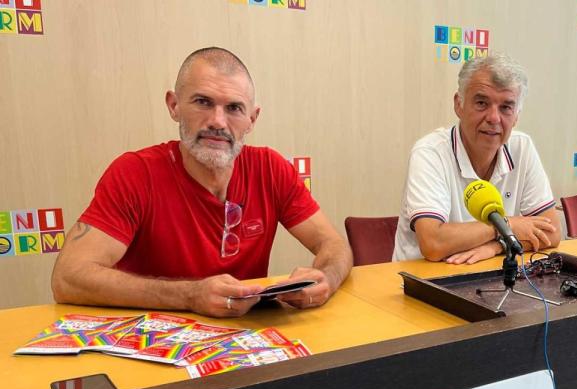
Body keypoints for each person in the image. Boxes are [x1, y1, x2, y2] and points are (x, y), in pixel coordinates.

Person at [51, 47, 353, 318]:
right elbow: (68, 278)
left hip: (246, 344)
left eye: (234, 108)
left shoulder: (271, 168)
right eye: (203, 102)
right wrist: (189, 296)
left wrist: (326, 278)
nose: (218, 122)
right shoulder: (134, 173)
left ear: (252, 119)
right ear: (174, 105)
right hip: (153, 343)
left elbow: (334, 245)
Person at [393, 54, 561, 264]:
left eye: (506, 107)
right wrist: (508, 225)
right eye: (482, 103)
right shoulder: (430, 153)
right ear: (459, 104)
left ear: (516, 115)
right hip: (426, 282)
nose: (493, 118)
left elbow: (552, 233)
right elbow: (433, 244)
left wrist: (497, 245)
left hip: (487, 277)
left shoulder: (522, 147)